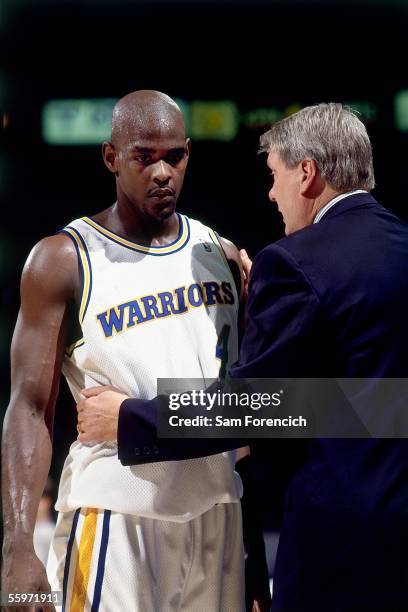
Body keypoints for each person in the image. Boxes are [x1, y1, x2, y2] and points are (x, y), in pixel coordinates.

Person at [77, 103, 408, 611]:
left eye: (274, 175)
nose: (271, 194)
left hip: (340, 543)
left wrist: (128, 418)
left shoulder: (295, 262)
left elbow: (259, 407)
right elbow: (364, 398)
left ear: (306, 173)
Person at [1, 90, 270, 612]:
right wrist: (16, 547)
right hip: (114, 518)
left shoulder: (218, 252)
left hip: (218, 513)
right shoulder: (62, 259)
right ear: (111, 158)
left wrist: (253, 549)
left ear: (189, 153)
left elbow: (247, 416)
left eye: (174, 156)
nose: (162, 172)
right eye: (144, 157)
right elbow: (29, 406)